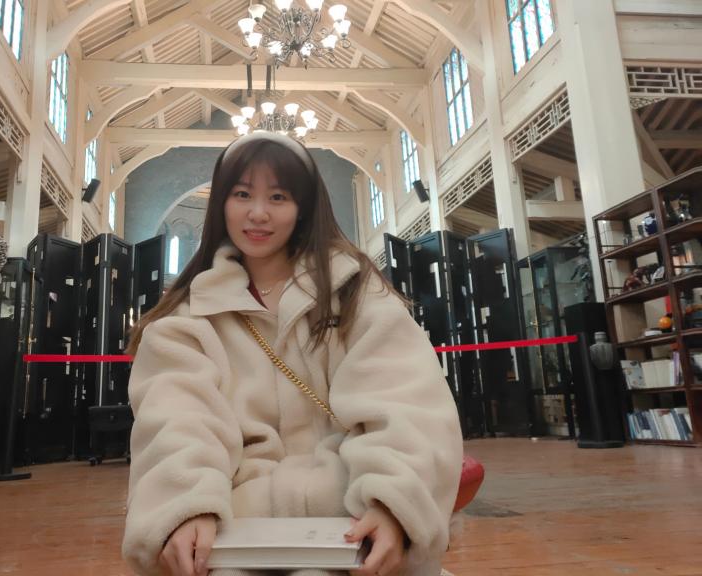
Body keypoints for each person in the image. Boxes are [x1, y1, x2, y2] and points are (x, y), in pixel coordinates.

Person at [122, 131, 463, 576]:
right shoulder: (185, 319)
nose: (258, 213)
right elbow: (177, 422)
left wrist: (393, 503)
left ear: (304, 207)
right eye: (242, 194)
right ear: (221, 203)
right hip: (232, 523)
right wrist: (187, 506)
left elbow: (406, 402)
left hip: (349, 515)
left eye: (278, 197)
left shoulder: (358, 295)